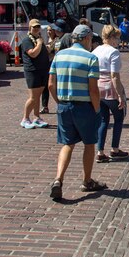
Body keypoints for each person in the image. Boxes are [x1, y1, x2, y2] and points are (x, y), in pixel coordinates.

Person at [47, 25, 107, 201]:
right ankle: (87, 180)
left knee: (67, 144)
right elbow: (93, 90)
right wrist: (96, 108)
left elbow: (51, 84)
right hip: (85, 107)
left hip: (65, 106)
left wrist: (59, 101)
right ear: (86, 38)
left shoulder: (59, 55)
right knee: (89, 144)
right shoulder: (90, 58)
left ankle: (58, 179)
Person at [92, 25, 129, 163]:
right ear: (112, 38)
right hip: (110, 88)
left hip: (97, 87)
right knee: (119, 118)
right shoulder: (113, 52)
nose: (118, 41)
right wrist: (120, 95)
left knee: (103, 120)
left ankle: (100, 151)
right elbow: (114, 75)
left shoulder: (96, 50)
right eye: (117, 38)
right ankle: (115, 148)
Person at [20, 19, 50, 129]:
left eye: (38, 27)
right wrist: (40, 44)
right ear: (30, 28)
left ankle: (37, 117)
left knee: (38, 96)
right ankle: (25, 118)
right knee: (33, 97)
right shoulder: (27, 40)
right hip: (32, 71)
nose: (36, 29)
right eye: (34, 27)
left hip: (42, 70)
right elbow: (33, 54)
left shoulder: (39, 39)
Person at [41, 24, 60, 114]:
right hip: (46, 65)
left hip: (53, 65)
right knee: (45, 86)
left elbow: (50, 50)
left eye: (50, 30)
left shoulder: (56, 41)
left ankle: (58, 104)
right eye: (48, 30)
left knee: (54, 85)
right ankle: (45, 106)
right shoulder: (46, 40)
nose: (49, 32)